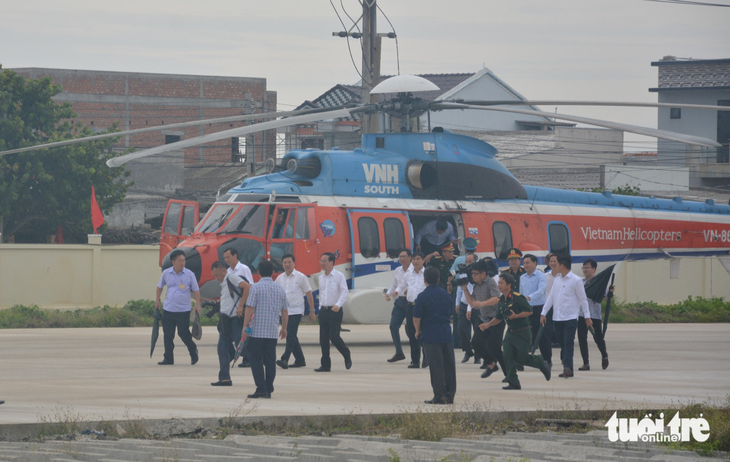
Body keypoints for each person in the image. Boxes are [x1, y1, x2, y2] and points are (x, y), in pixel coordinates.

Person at [479, 273, 551, 390]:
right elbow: (499, 317)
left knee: (522, 359)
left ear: (509, 285)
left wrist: (516, 316)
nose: (499, 285)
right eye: (498, 283)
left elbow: (529, 311)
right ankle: (513, 382)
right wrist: (488, 325)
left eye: (501, 283)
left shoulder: (518, 298)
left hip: (523, 332)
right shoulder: (502, 300)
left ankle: (541, 363)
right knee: (507, 357)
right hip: (510, 333)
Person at [241, 260, 288, 398]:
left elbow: (249, 308)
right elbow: (284, 311)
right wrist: (284, 328)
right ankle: (269, 387)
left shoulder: (255, 287)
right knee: (270, 360)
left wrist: (245, 326)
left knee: (255, 359)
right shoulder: (280, 289)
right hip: (272, 331)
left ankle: (261, 387)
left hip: (257, 331)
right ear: (273, 272)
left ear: (259, 272)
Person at [540, 254, 592, 378]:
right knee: (563, 344)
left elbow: (583, 300)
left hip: (570, 317)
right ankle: (568, 368)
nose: (554, 266)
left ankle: (567, 368)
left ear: (562, 266)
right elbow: (551, 297)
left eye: (557, 264)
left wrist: (587, 317)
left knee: (568, 342)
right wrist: (543, 313)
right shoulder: (557, 279)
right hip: (557, 318)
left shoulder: (576, 280)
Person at [414, 267, 457, 405]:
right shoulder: (446, 295)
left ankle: (439, 396)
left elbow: (416, 317)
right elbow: (450, 313)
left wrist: (417, 330)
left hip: (430, 334)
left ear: (424, 279)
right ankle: (450, 395)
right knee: (449, 365)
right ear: (438, 279)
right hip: (446, 333)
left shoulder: (422, 296)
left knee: (436, 366)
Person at [155, 249, 201, 366]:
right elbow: (159, 287)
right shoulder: (166, 273)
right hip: (169, 308)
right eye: (180, 261)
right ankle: (168, 357)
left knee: (183, 333)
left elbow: (196, 290)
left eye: (183, 260)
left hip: (183, 310)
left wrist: (197, 304)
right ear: (173, 261)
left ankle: (193, 350)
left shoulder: (189, 274)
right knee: (168, 334)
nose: (182, 263)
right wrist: (157, 301)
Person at [209, 261, 250, 386]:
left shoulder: (231, 277)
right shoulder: (224, 282)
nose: (216, 278)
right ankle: (225, 378)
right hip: (225, 319)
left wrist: (241, 306)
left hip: (234, 320)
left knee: (242, 348)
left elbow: (247, 286)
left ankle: (262, 361)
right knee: (222, 347)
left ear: (223, 270)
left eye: (217, 275)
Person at [462, 259, 503, 380]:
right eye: (472, 274)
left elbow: (496, 299)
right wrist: (464, 288)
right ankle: (491, 365)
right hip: (483, 319)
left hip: (496, 320)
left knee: (495, 349)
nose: (473, 276)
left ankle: (510, 375)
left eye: (475, 274)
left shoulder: (490, 282)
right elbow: (472, 302)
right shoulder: (476, 285)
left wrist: (482, 303)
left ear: (483, 273)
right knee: (476, 343)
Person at [275, 254, 315, 369]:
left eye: (289, 262)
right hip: (283, 312)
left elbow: (308, 294)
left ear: (294, 263)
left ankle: (284, 358)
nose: (287, 264)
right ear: (282, 264)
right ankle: (300, 360)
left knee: (290, 334)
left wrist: (312, 311)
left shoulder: (301, 277)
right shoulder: (279, 278)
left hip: (296, 310)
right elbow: (276, 294)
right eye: (285, 262)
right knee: (292, 336)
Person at [314, 252, 352, 372]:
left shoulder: (339, 276)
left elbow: (345, 292)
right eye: (321, 261)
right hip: (324, 310)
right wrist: (320, 307)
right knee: (323, 339)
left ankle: (346, 354)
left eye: (324, 261)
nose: (322, 263)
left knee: (334, 337)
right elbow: (322, 294)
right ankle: (325, 365)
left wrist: (338, 305)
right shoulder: (321, 277)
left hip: (335, 310)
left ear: (331, 262)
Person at [394, 251, 427, 368]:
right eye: (414, 259)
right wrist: (397, 291)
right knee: (412, 334)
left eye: (418, 259)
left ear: (423, 260)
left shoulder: (427, 273)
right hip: (411, 305)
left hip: (423, 307)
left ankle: (426, 358)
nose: (415, 261)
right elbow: (402, 285)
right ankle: (415, 361)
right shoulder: (408, 274)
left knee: (423, 332)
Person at [578, 258, 611, 371]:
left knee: (598, 338)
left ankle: (604, 355)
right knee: (582, 338)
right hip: (581, 314)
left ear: (594, 269)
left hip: (594, 315)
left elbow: (606, 297)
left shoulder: (600, 283)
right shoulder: (580, 282)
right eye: (584, 267)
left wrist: (610, 293)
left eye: (587, 267)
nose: (585, 270)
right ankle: (586, 363)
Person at [223, 248, 253, 368]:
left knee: (241, 333)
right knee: (224, 330)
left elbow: (250, 287)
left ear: (235, 255)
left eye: (228, 257)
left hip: (242, 306)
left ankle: (248, 358)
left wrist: (244, 306)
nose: (226, 260)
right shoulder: (228, 271)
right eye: (225, 258)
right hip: (231, 307)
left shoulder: (244, 269)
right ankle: (233, 352)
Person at [520, 254, 551, 366]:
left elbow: (541, 290)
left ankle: (547, 360)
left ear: (535, 263)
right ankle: (523, 360)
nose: (525, 265)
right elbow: (521, 293)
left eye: (528, 262)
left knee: (542, 336)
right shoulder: (522, 277)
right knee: (526, 335)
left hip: (539, 309)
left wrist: (530, 297)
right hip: (527, 309)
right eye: (524, 263)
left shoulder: (540, 276)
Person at [384, 249, 411, 363]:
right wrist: (388, 293)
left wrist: (410, 290)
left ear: (410, 257)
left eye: (404, 256)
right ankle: (399, 352)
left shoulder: (415, 271)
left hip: (411, 302)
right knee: (393, 326)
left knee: (411, 330)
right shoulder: (398, 270)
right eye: (400, 257)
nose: (402, 259)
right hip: (400, 301)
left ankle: (420, 354)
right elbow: (394, 285)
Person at [454, 253, 480, 364]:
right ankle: (468, 351)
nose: (468, 264)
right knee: (461, 330)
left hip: (475, 306)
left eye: (471, 262)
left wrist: (470, 309)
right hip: (464, 304)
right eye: (467, 262)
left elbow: (474, 294)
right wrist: (457, 303)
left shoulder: (478, 276)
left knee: (477, 331)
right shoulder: (462, 274)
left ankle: (478, 355)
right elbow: (460, 290)